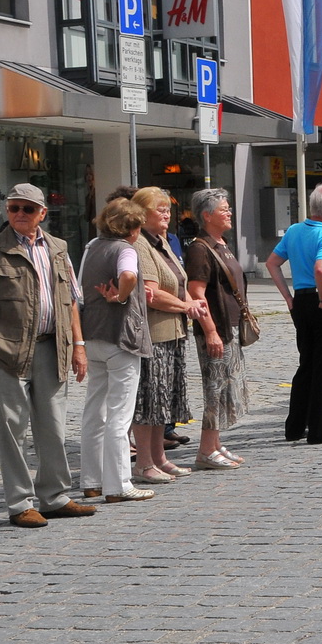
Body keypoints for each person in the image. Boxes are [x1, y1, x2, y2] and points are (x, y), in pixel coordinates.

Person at [0, 183, 96, 528]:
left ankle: (54, 497)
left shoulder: (58, 248)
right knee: (13, 428)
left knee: (53, 426)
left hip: (53, 345)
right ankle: (19, 503)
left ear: (42, 213)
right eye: (13, 208)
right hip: (9, 349)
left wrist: (79, 346)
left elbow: (70, 302)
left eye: (27, 208)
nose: (19, 215)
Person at [76, 196, 153, 504]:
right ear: (132, 228)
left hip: (92, 332)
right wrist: (121, 297)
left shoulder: (92, 247)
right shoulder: (125, 249)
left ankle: (92, 479)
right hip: (119, 337)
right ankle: (118, 483)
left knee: (95, 410)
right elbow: (129, 275)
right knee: (120, 414)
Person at [130, 187, 206, 480]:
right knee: (149, 400)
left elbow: (176, 281)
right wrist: (186, 306)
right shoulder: (140, 245)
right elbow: (151, 293)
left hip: (172, 332)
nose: (166, 214)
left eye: (167, 209)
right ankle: (145, 463)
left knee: (164, 401)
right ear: (141, 214)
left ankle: (160, 458)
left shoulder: (162, 241)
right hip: (153, 332)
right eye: (159, 209)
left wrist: (186, 305)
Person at [266, 182, 322, 444]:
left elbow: (272, 263)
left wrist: (288, 297)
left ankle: (295, 426)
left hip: (300, 300)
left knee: (307, 364)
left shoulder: (294, 230)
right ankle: (319, 429)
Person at [184, 188, 253, 468]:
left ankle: (214, 443)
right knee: (214, 389)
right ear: (207, 215)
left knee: (226, 388)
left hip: (231, 328)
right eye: (224, 209)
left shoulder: (221, 243)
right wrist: (210, 330)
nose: (229, 213)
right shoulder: (200, 248)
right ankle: (205, 450)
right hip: (217, 329)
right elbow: (196, 292)